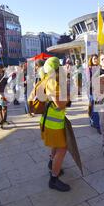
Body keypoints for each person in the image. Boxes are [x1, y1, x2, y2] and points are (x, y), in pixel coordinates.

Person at [40, 57, 71, 192]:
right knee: (62, 148)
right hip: (53, 122)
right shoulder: (53, 82)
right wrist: (70, 95)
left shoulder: (51, 79)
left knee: (56, 146)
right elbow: (60, 104)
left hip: (52, 121)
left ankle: (52, 163)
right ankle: (54, 179)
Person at [86, 55, 101, 134]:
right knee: (95, 108)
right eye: (94, 59)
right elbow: (88, 81)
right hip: (92, 90)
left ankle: (93, 122)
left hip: (100, 90)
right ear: (91, 60)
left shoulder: (100, 67)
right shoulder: (89, 68)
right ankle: (97, 125)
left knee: (94, 107)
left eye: (97, 58)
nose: (96, 60)